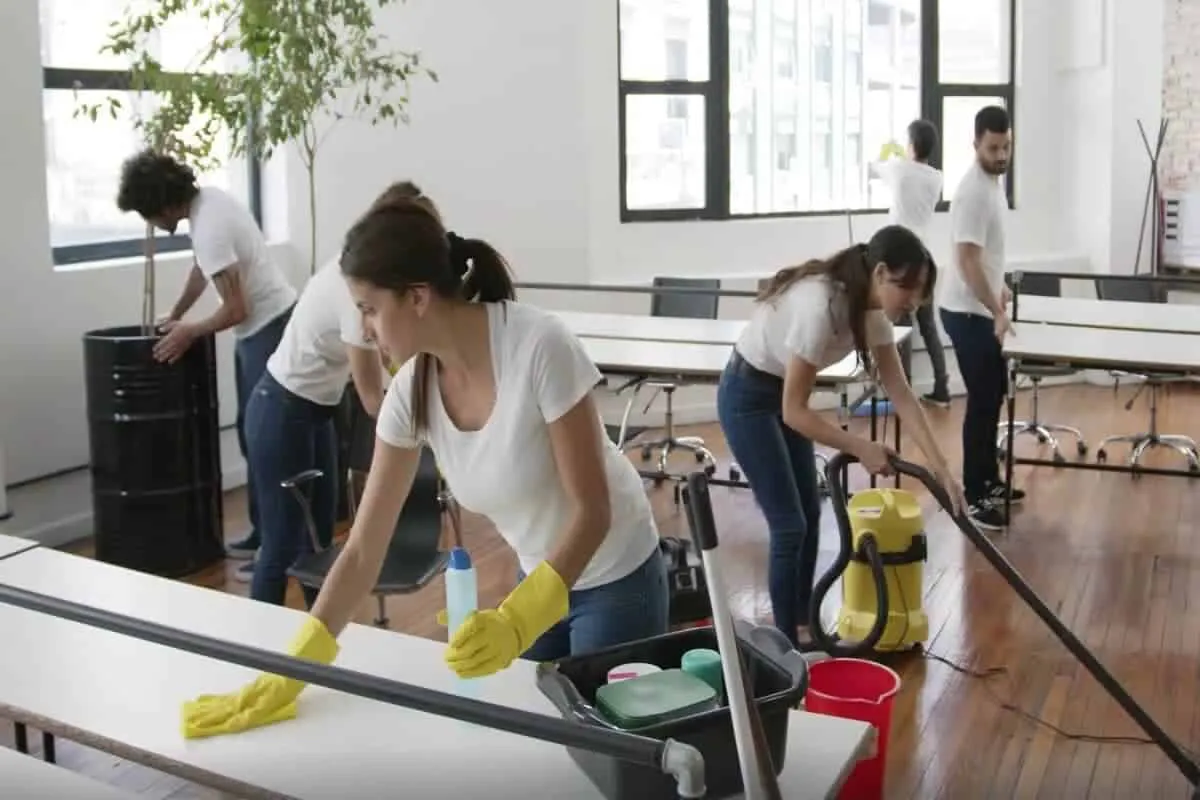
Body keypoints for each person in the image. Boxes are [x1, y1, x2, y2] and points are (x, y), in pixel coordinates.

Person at [179, 185, 669, 740]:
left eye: (369, 309)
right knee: (539, 742)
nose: (362, 329)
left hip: (616, 573)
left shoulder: (538, 346)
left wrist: (516, 619)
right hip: (540, 577)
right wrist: (290, 673)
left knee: (607, 746)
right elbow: (364, 549)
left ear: (416, 297)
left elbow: (594, 510)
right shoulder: (410, 391)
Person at [716, 225, 966, 649]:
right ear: (882, 273)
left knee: (811, 514)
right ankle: (785, 645)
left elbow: (902, 394)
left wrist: (942, 470)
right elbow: (795, 411)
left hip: (781, 397)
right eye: (911, 288)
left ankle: (802, 624)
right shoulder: (821, 306)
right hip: (747, 396)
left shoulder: (872, 314)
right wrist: (860, 447)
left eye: (923, 291)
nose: (916, 301)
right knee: (789, 525)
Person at [241, 185, 429, 608]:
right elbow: (370, 398)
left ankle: (319, 639)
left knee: (319, 537)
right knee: (281, 544)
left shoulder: (373, 283)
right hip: (279, 409)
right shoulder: (354, 289)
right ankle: (255, 650)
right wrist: (425, 434)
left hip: (317, 411)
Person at [116, 150, 297, 570]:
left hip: (268, 328)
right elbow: (203, 270)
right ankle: (261, 534)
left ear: (161, 205)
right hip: (261, 328)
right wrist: (177, 313)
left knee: (266, 445)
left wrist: (188, 332)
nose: (150, 224)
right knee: (251, 438)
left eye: (147, 213)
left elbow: (237, 308)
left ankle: (274, 550)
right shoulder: (209, 205)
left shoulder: (210, 227)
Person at [937, 105, 1024, 532]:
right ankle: (976, 496)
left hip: (979, 305)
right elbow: (967, 261)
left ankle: (990, 480)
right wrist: (995, 309)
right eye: (993, 147)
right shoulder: (973, 191)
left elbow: (987, 256)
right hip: (965, 311)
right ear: (975, 145)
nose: (1002, 154)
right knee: (983, 399)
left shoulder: (993, 184)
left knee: (993, 397)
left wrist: (1000, 286)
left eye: (1006, 145)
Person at [871, 120, 951, 407]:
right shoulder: (936, 177)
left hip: (900, 259)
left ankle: (899, 392)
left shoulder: (900, 170)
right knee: (928, 325)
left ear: (912, 145)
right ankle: (942, 388)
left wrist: (887, 152)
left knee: (901, 327)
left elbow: (874, 166)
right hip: (925, 259)